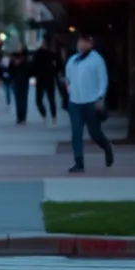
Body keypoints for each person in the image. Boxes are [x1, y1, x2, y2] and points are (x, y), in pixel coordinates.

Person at [63, 30, 114, 173]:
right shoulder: (72, 60)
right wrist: (69, 90)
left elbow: (103, 80)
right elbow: (68, 78)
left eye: (85, 42)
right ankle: (78, 162)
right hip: (75, 102)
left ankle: (106, 146)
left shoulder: (97, 60)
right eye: (80, 41)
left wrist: (100, 98)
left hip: (91, 102)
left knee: (94, 133)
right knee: (76, 131)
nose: (82, 45)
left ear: (91, 44)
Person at [31, 37, 60, 124]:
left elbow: (33, 67)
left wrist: (54, 71)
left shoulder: (49, 54)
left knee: (48, 99)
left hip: (45, 78)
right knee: (44, 99)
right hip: (43, 78)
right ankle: (49, 115)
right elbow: (33, 66)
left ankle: (50, 115)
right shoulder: (40, 54)